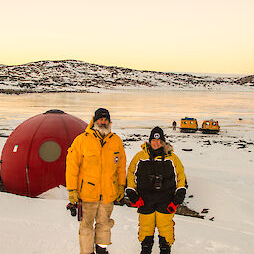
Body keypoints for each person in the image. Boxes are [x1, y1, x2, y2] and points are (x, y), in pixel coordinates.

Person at [66, 108, 126, 254]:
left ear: (109, 122)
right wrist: (72, 189)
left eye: (106, 119)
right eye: (100, 119)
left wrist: (121, 185)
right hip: (87, 193)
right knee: (86, 226)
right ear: (94, 121)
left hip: (107, 193)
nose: (103, 122)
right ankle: (87, 252)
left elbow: (121, 166)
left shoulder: (116, 141)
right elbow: (72, 166)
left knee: (104, 224)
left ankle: (101, 249)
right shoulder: (82, 140)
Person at [126, 126, 186, 254]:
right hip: (145, 199)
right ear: (150, 141)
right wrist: (132, 192)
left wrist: (179, 194)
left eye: (159, 141)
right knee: (146, 228)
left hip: (166, 199)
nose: (156, 143)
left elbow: (180, 175)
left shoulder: (172, 158)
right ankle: (145, 249)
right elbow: (131, 173)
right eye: (153, 140)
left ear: (163, 142)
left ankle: (165, 249)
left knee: (165, 228)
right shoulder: (140, 157)